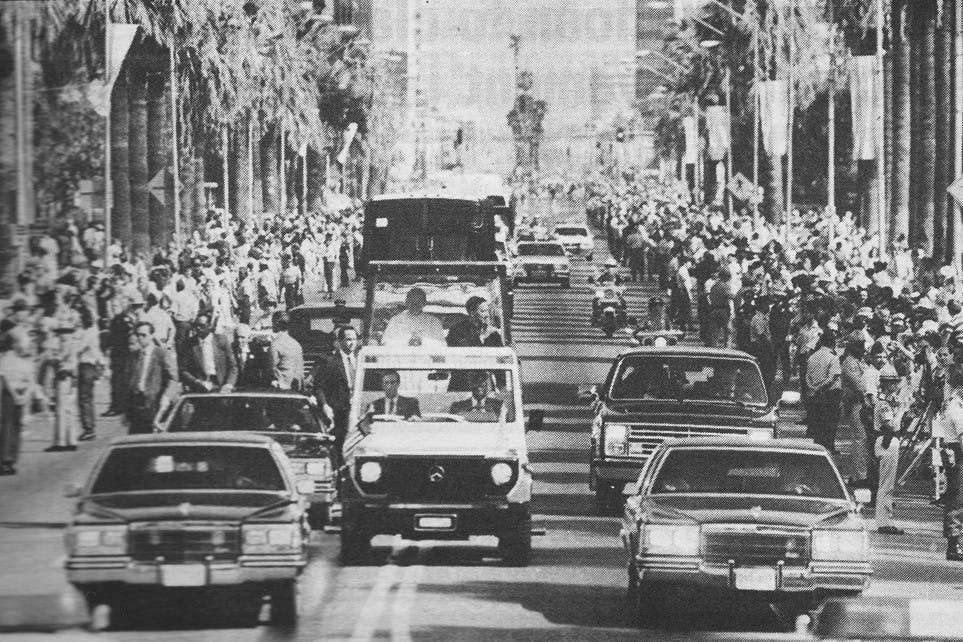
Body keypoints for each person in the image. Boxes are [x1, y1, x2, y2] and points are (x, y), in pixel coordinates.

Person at [310, 325, 359, 461]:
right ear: (340, 341)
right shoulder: (330, 361)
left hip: (357, 410)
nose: (352, 343)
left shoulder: (361, 361)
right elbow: (319, 386)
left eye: (355, 339)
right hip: (338, 411)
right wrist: (325, 405)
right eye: (348, 339)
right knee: (340, 444)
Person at [0, 330, 45, 475]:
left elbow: (31, 379)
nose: (24, 346)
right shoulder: (6, 359)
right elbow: (5, 379)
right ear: (14, 345)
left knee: (18, 426)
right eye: (21, 343)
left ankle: (12, 458)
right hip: (9, 394)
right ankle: (4, 460)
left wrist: (25, 396)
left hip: (22, 393)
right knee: (7, 426)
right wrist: (15, 395)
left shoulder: (26, 361)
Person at [126, 321, 179, 434]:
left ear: (151, 335)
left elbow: (174, 378)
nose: (140, 338)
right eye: (138, 335)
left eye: (143, 335)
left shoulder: (162, 354)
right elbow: (128, 381)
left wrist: (167, 396)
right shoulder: (133, 356)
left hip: (154, 405)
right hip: (137, 407)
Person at [874, 364, 906, 535]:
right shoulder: (884, 403)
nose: (895, 385)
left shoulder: (889, 401)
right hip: (887, 441)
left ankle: (885, 519)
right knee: (886, 484)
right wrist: (901, 410)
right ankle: (884, 521)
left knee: (887, 483)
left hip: (890, 441)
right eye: (892, 382)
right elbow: (892, 426)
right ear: (885, 384)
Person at [179, 313, 238, 393]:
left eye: (202, 326)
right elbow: (183, 370)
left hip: (222, 387)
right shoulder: (189, 344)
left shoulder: (222, 340)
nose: (198, 328)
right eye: (196, 326)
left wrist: (228, 384)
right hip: (200, 387)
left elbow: (233, 366)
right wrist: (197, 382)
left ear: (210, 326)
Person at [805, 330, 842, 453]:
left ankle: (817, 447)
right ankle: (828, 447)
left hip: (815, 394)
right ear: (832, 343)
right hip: (830, 394)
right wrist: (820, 388)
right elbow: (832, 378)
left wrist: (813, 388)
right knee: (830, 423)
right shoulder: (833, 358)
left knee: (818, 422)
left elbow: (807, 376)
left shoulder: (812, 357)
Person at [841, 334, 869, 485]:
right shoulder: (850, 363)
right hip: (855, 404)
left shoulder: (857, 361)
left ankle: (857, 474)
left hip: (859, 404)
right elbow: (860, 386)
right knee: (860, 439)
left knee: (861, 439)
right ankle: (859, 476)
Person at [75, 307, 105, 442]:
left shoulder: (88, 332)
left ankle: (89, 429)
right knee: (88, 399)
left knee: (84, 399)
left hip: (86, 366)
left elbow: (78, 348)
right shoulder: (92, 331)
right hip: (91, 366)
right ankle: (90, 427)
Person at [269, 311, 305, 391]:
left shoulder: (275, 345)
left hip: (281, 388)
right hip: (296, 387)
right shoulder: (296, 344)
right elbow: (300, 368)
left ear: (275, 323)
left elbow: (272, 369)